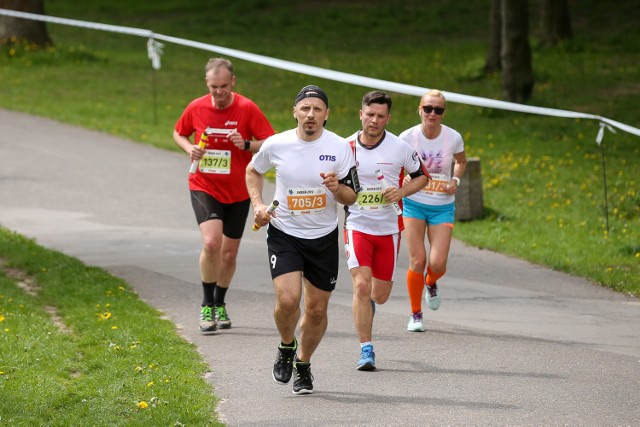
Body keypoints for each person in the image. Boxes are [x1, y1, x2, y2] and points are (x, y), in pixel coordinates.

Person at [246, 85, 359, 394]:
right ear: (295, 111)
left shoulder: (340, 148)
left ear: (326, 115)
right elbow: (252, 171)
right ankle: (286, 345)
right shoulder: (276, 144)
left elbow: (352, 196)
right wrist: (258, 204)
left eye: (317, 109)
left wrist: (337, 188)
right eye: (305, 108)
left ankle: (303, 364)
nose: (311, 114)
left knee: (318, 310)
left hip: (322, 237)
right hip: (285, 233)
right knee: (287, 299)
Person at [173, 58, 275, 333]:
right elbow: (179, 132)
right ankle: (207, 305)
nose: (218, 93)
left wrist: (246, 144)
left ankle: (220, 302)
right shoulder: (196, 107)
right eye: (213, 86)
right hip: (204, 184)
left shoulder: (246, 108)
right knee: (211, 243)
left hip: (239, 190)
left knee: (229, 255)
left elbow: (270, 140)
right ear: (207, 83)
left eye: (223, 86)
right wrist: (189, 149)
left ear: (233, 82)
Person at [344, 90, 429, 370]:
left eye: (381, 116)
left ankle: (367, 307)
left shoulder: (399, 148)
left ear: (388, 118)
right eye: (370, 114)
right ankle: (366, 349)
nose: (374, 120)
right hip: (357, 225)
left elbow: (423, 178)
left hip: (389, 229)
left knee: (378, 295)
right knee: (361, 286)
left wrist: (401, 191)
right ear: (361, 114)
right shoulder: (346, 147)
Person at [399, 89, 467, 332]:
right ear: (420, 109)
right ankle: (416, 314)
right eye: (428, 108)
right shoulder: (407, 137)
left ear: (443, 113)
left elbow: (461, 161)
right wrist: (403, 179)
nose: (432, 113)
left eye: (438, 110)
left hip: (442, 207)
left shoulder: (453, 137)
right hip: (414, 203)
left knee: (437, 264)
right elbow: (395, 164)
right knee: (418, 259)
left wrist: (455, 181)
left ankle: (431, 281)